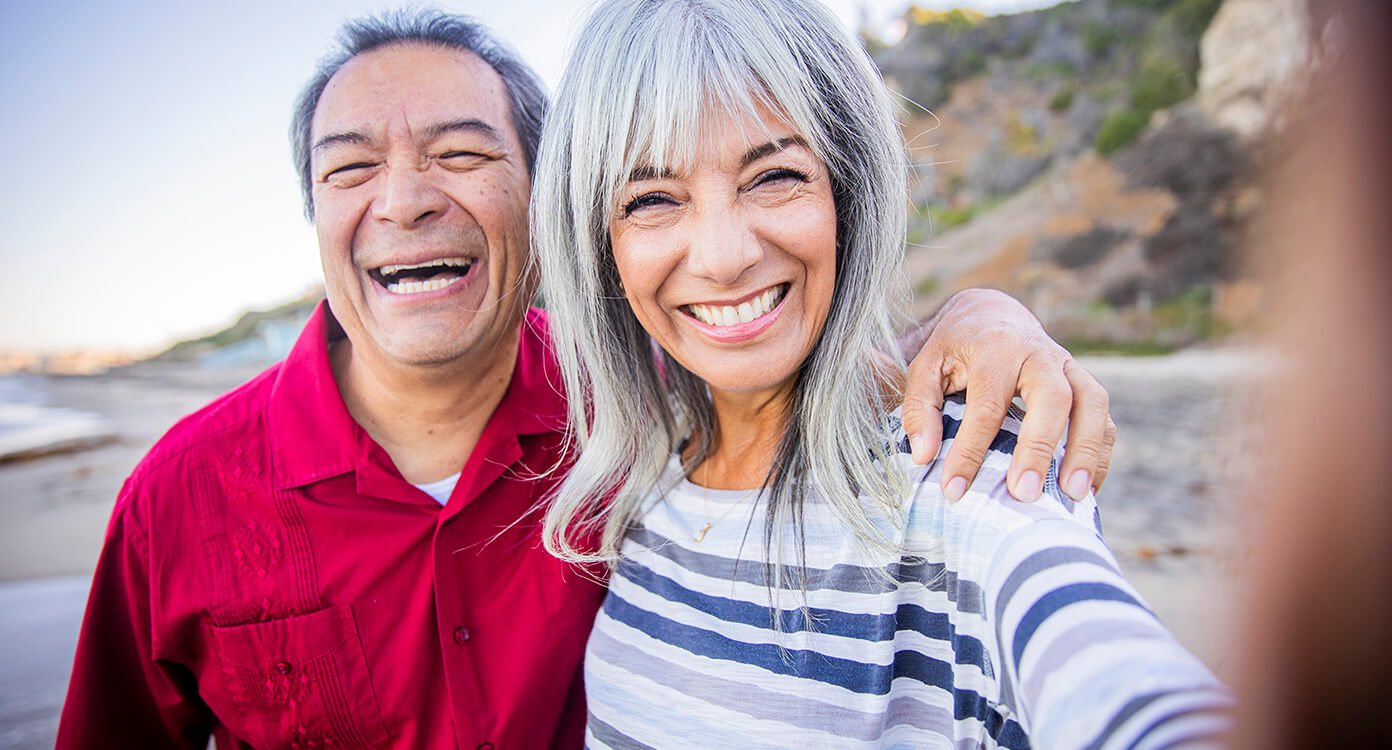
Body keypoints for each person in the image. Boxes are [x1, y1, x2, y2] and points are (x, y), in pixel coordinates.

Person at [57, 9, 1117, 750]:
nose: (404, 200)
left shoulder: (651, 404)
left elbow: (792, 343)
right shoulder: (176, 497)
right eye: (350, 168)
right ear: (316, 214)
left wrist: (979, 319)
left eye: (461, 154)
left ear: (545, 197)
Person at [531, 0, 1230, 747]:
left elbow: (1112, 672)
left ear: (848, 195)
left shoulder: (959, 468)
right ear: (600, 245)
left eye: (774, 176)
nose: (724, 255)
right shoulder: (644, 481)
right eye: (652, 199)